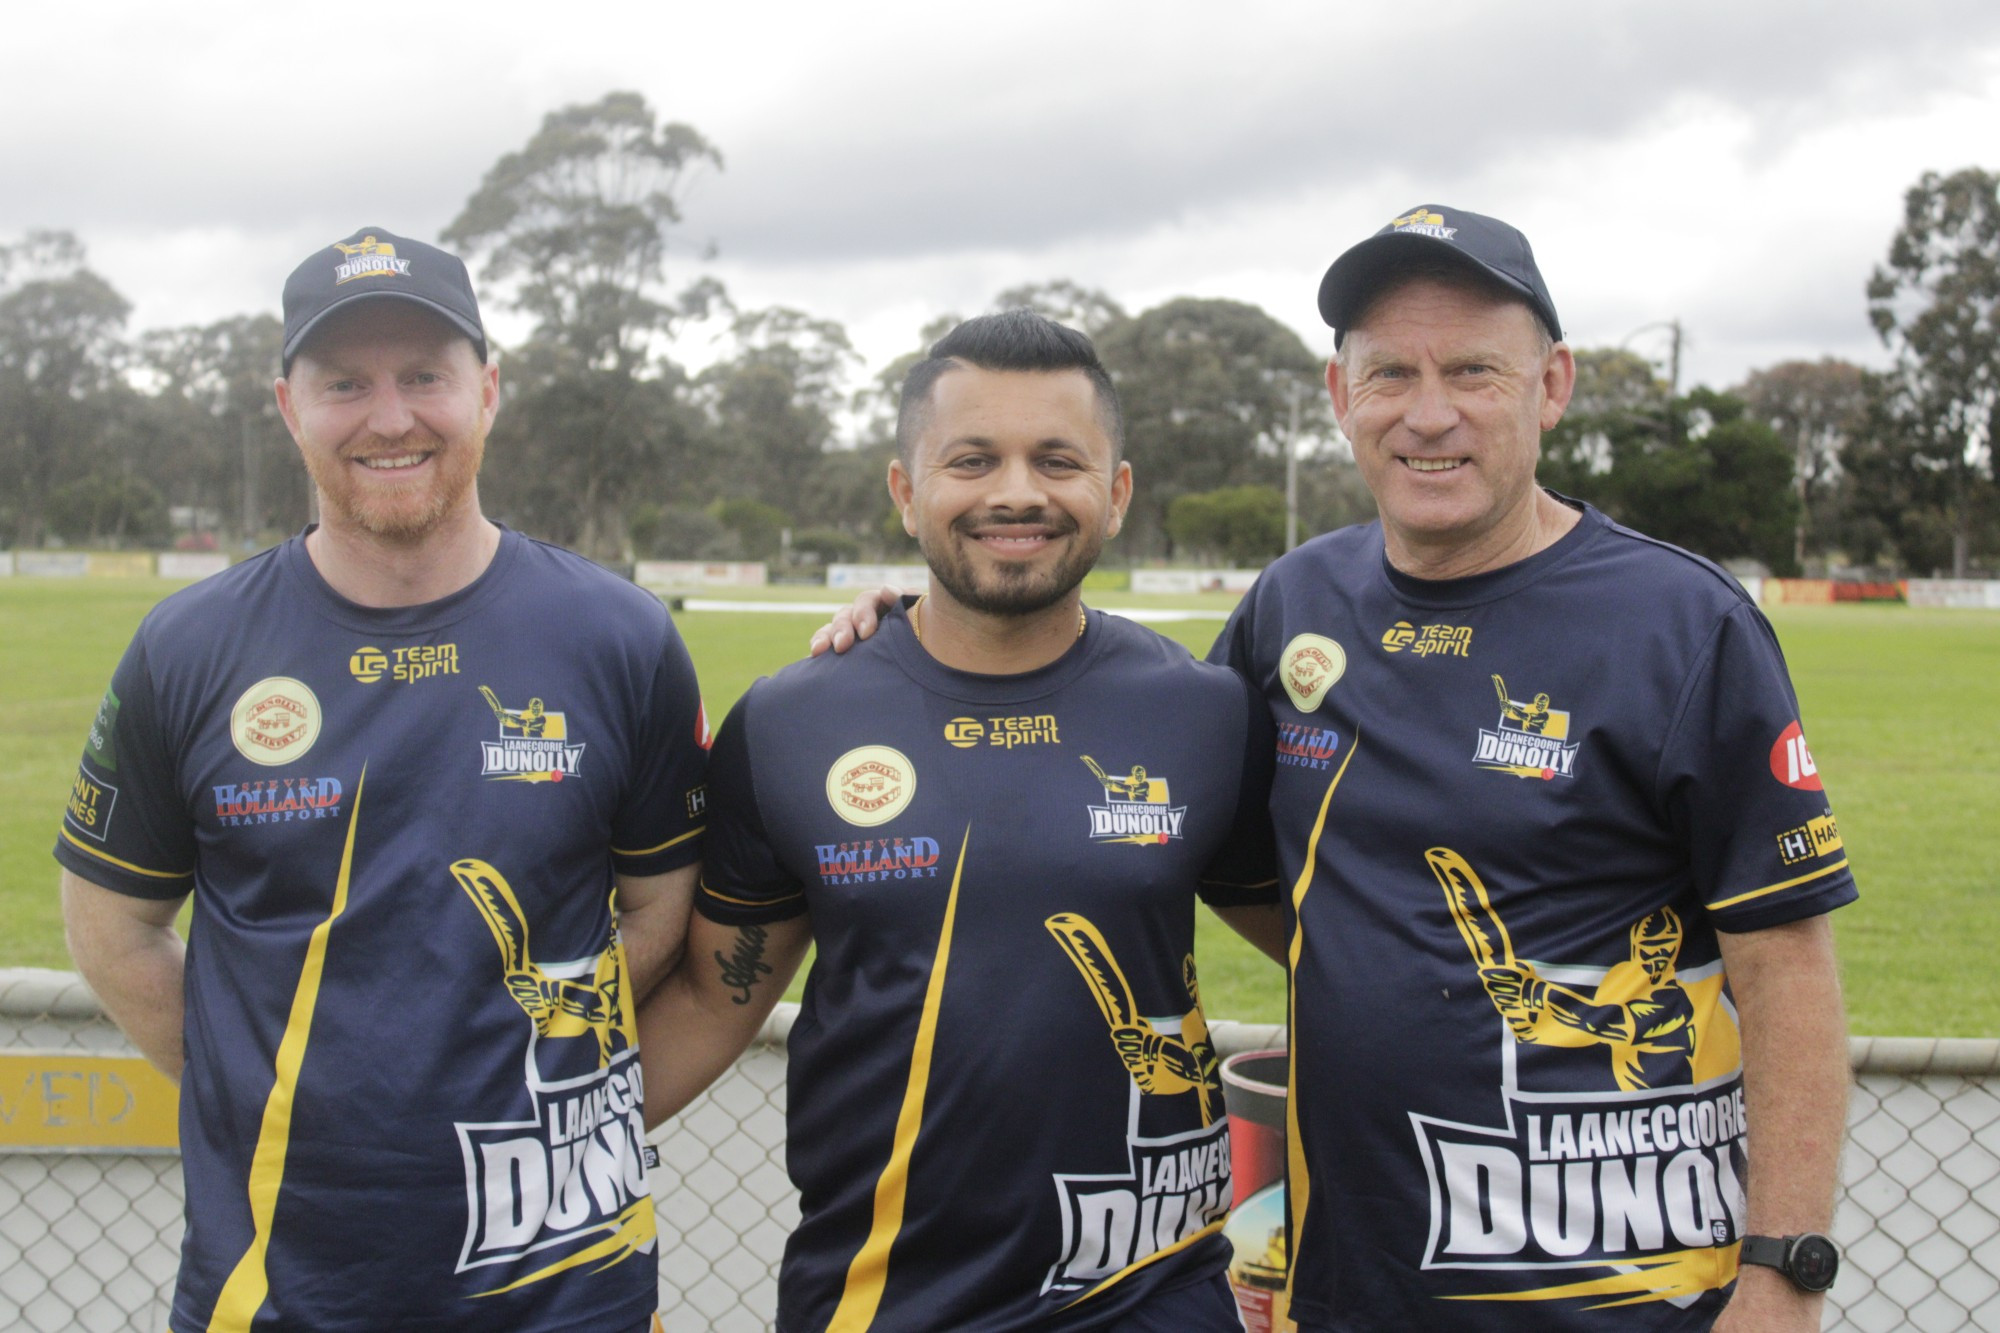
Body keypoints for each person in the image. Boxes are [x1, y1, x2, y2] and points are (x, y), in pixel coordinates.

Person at [815, 208, 1855, 1333]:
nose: (1427, 413)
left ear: (1550, 384)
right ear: (1335, 395)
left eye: (1472, 372)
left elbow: (1785, 964)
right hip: (1352, 1287)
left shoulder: (1681, 623)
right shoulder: (1294, 605)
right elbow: (1156, 775)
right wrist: (913, 641)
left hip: (1621, 1294)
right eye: (1389, 374)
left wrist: (1780, 1271)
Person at [56, 226, 708, 1333]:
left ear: (488, 389)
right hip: (280, 1294)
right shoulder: (188, 650)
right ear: (286, 406)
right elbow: (113, 933)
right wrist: (278, 1105)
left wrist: (550, 1056)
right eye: (344, 382)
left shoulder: (621, 637)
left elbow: (664, 912)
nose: (390, 415)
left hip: (567, 1294)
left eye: (424, 376)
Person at [637, 310, 1282, 1331]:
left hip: (1152, 1302)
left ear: (1114, 493)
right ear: (906, 491)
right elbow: (717, 1000)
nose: (1015, 491)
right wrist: (516, 1158)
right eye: (972, 458)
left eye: (1056, 459)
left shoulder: (1206, 713)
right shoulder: (793, 720)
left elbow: (1339, 946)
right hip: (876, 1304)